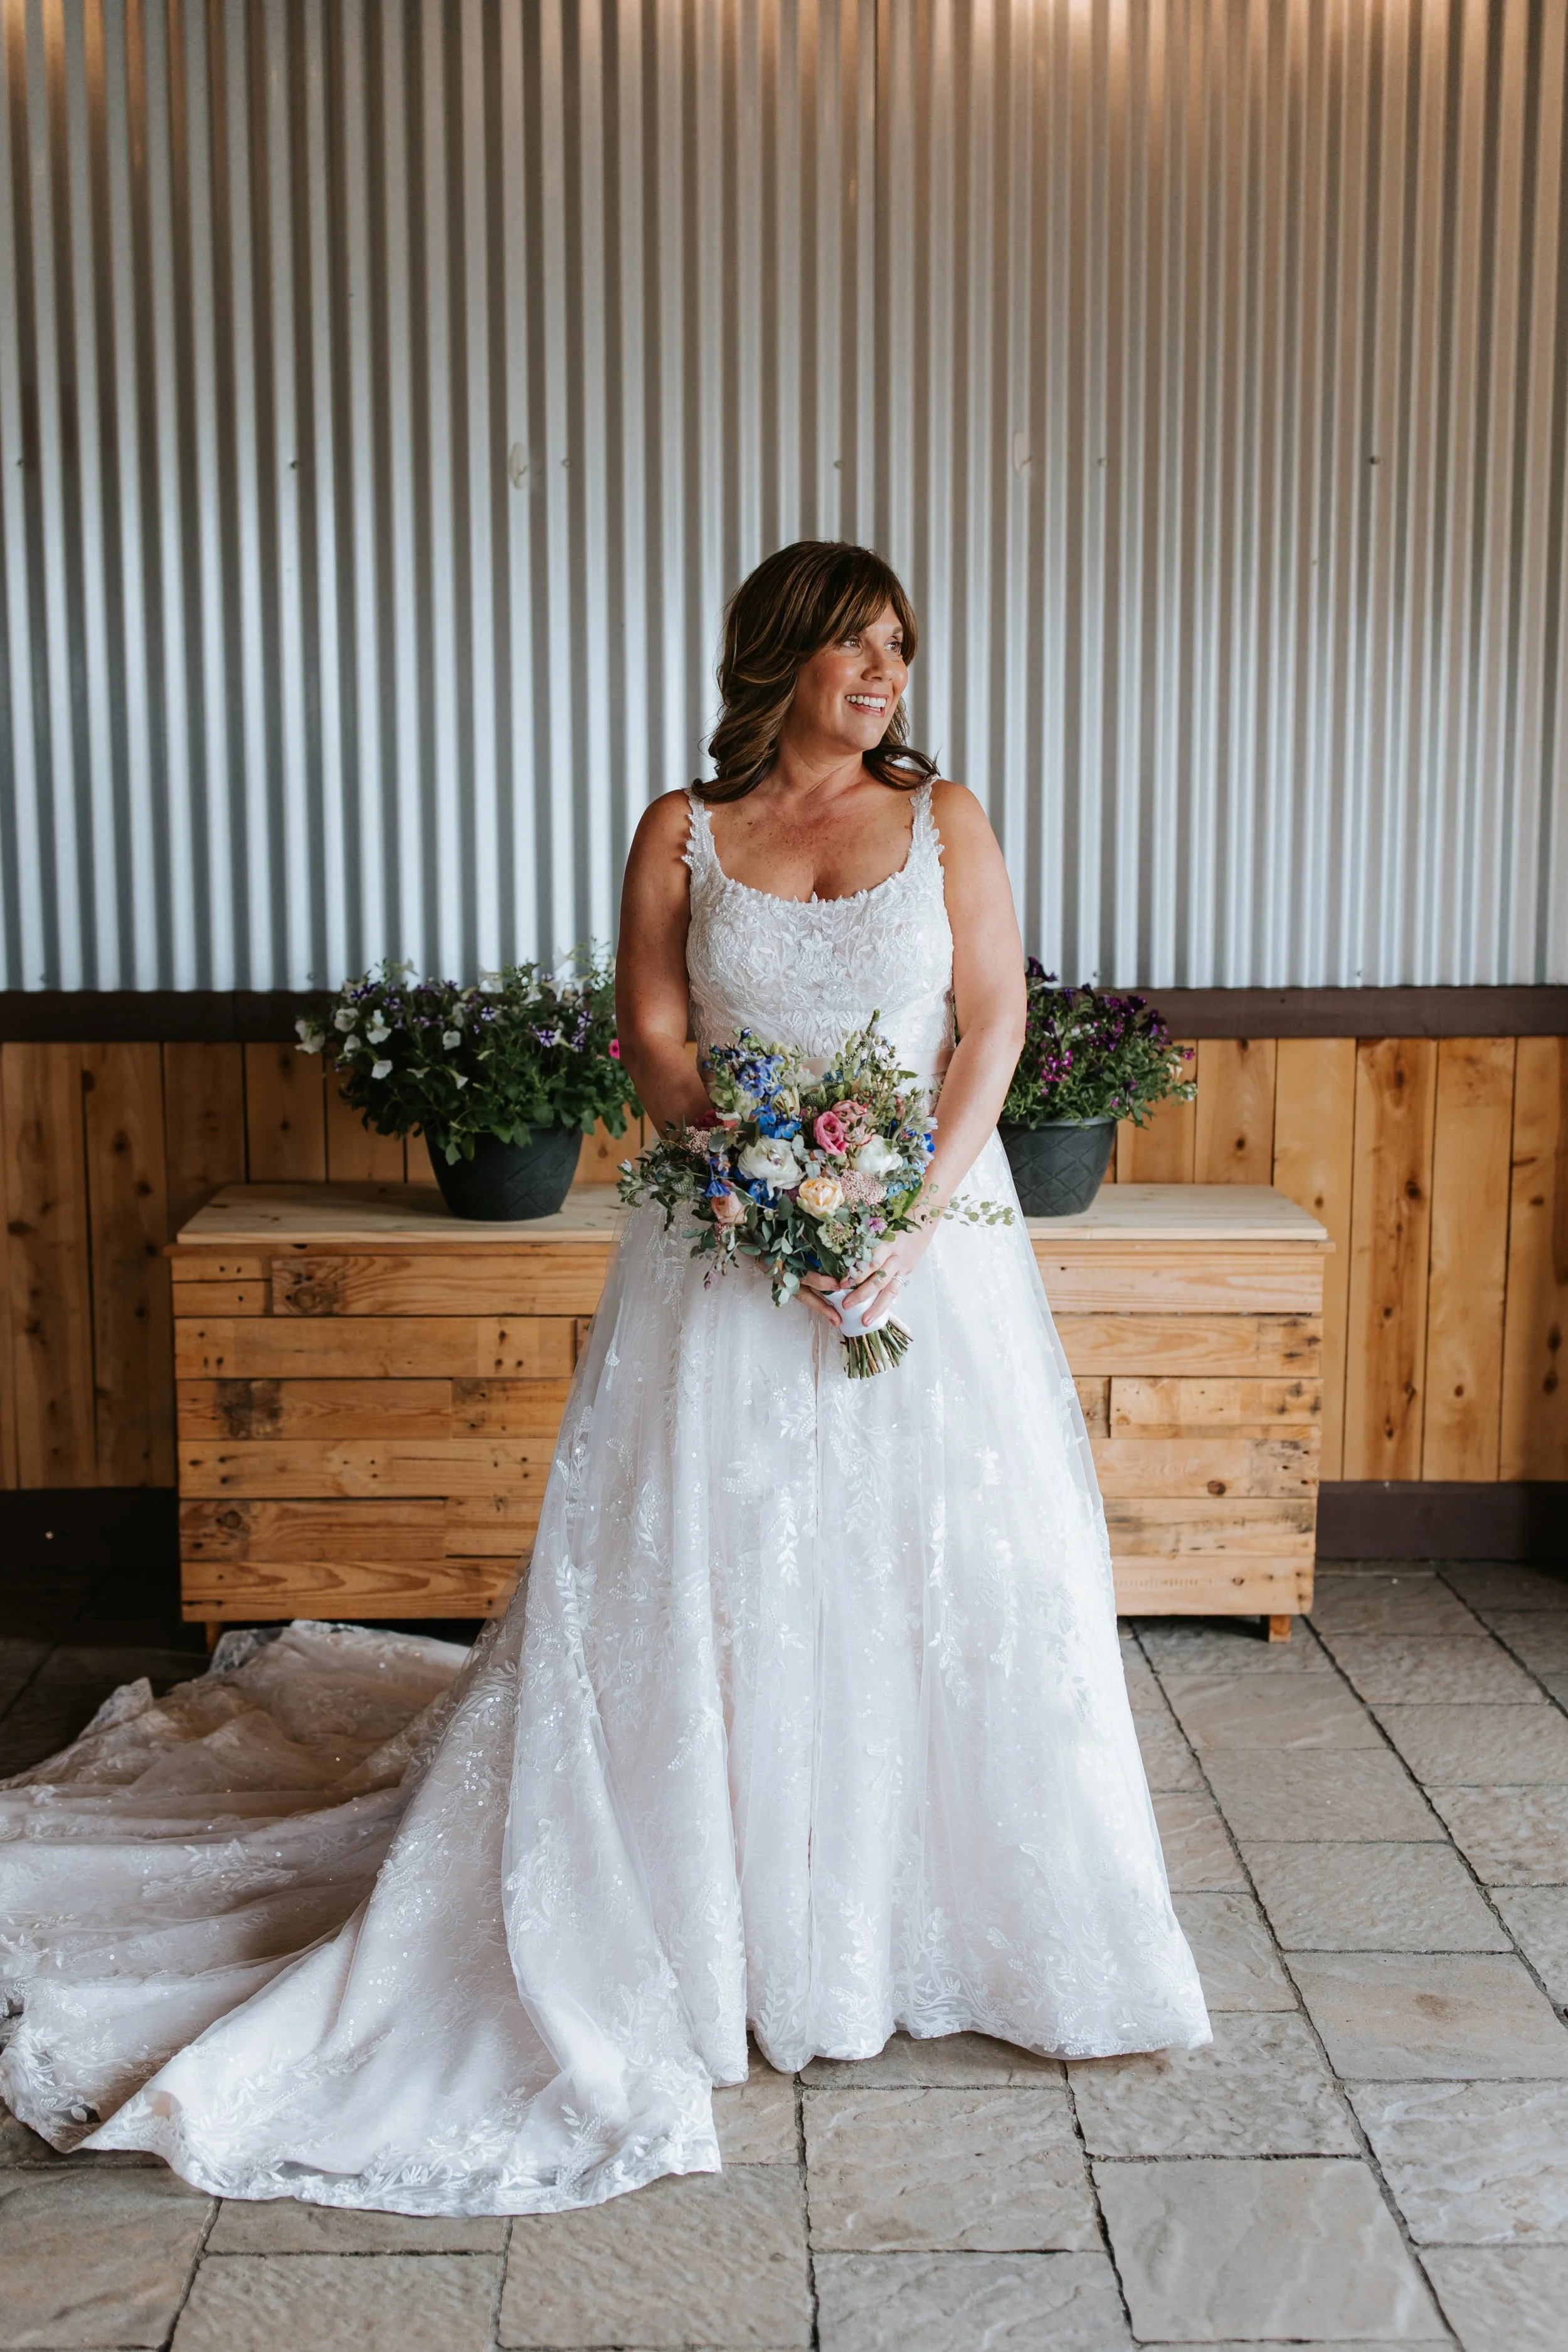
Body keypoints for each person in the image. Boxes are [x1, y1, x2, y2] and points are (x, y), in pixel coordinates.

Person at [0, 541, 1208, 2218]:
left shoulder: (945, 821)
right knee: (709, 1566)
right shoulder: (681, 828)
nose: (883, 675)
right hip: (719, 1237)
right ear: (776, 653)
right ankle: (707, 1921)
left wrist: (905, 1222)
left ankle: (917, 1918)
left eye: (899, 651)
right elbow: (651, 1033)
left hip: (931, 1252)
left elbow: (991, 1025)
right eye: (855, 644)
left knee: (936, 1567)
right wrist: (756, 1175)